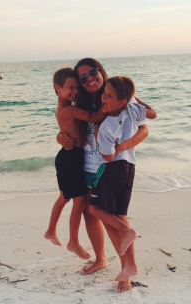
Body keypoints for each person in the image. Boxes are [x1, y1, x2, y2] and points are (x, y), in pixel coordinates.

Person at [56, 58, 156, 292]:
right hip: (87, 165)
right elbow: (68, 125)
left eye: (93, 72)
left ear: (100, 71)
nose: (89, 78)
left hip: (112, 165)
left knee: (116, 218)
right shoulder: (80, 102)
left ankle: (127, 267)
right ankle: (101, 259)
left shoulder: (119, 92)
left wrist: (122, 146)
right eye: (83, 77)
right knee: (92, 215)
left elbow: (145, 127)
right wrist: (60, 137)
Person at [89, 76, 153, 284]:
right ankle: (130, 266)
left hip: (109, 168)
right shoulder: (132, 110)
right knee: (119, 213)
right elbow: (152, 113)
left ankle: (127, 231)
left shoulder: (106, 127)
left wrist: (99, 137)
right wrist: (132, 97)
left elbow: (107, 156)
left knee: (95, 209)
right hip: (129, 167)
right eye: (103, 94)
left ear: (121, 101)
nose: (103, 98)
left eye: (109, 96)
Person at [44, 67, 105, 260]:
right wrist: (111, 104)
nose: (76, 91)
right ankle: (73, 242)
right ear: (58, 88)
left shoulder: (64, 107)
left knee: (64, 198)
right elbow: (94, 117)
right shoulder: (69, 109)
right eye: (71, 87)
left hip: (69, 156)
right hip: (71, 158)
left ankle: (51, 231)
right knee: (78, 202)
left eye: (77, 87)